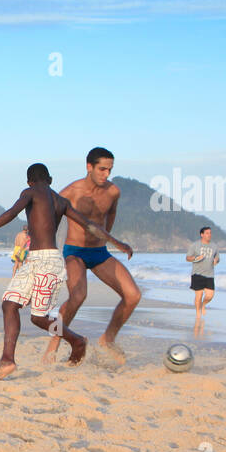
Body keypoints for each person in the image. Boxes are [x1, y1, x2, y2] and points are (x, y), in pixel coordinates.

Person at [0, 163, 132, 379]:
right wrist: (116, 242)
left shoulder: (29, 192)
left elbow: (11, 213)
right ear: (51, 180)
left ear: (29, 182)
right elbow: (89, 225)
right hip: (38, 260)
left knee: (38, 318)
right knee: (9, 304)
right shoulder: (61, 201)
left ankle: (76, 340)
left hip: (47, 261)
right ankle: (7, 359)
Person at [44, 147, 142, 365]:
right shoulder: (71, 191)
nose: (106, 174)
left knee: (133, 295)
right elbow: (48, 216)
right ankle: (53, 345)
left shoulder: (113, 192)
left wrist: (107, 238)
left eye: (109, 170)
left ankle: (108, 339)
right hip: (74, 252)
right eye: (102, 169)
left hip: (99, 253)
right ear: (89, 167)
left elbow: (111, 213)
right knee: (77, 297)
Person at [187, 224, 220, 334]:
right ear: (202, 234)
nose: (209, 235)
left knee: (210, 295)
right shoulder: (195, 245)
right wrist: (196, 258)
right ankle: (198, 313)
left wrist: (216, 260)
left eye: (210, 233)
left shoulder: (214, 246)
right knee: (199, 295)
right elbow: (187, 258)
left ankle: (203, 305)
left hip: (210, 274)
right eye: (207, 233)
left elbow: (217, 257)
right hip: (197, 274)